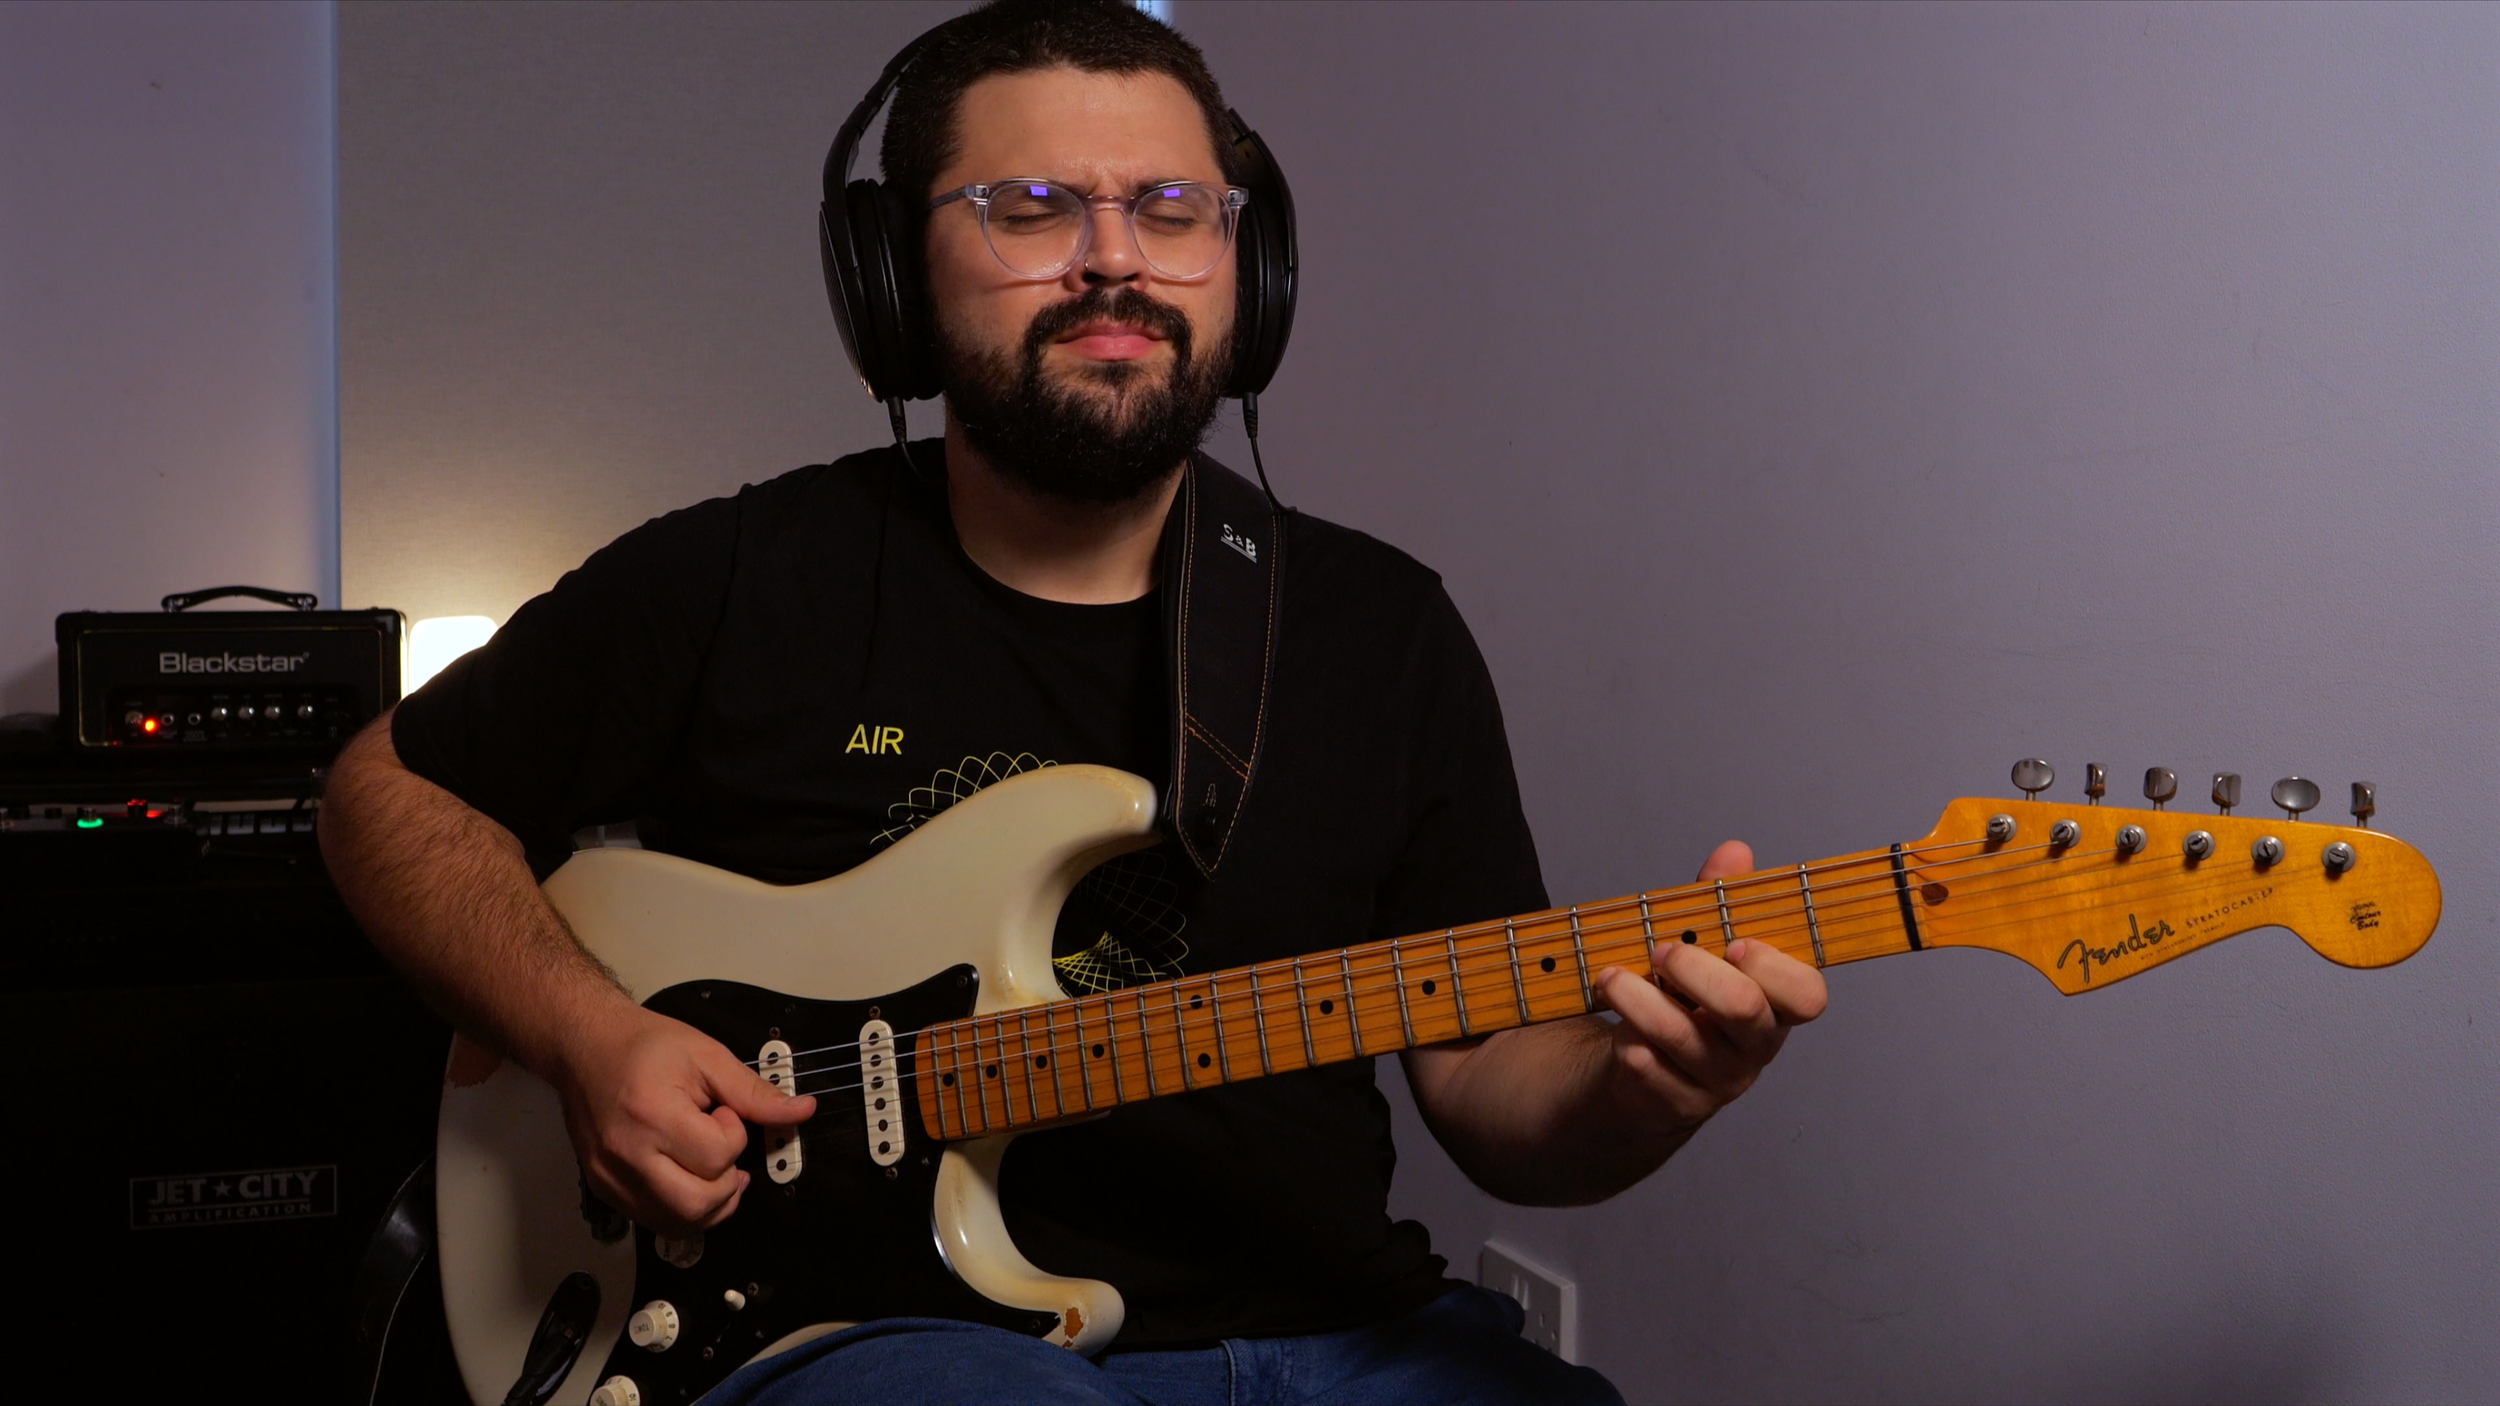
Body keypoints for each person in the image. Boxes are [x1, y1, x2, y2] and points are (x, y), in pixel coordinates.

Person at [319, 3, 1827, 1402]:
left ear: (1247, 267)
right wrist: (587, 1036)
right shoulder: (735, 578)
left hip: (1343, 1337)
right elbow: (384, 793)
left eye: (1171, 209)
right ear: (892, 277)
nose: (1116, 261)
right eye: (1032, 208)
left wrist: (1650, 1088)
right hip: (876, 1340)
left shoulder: (1384, 627)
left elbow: (1489, 1077)